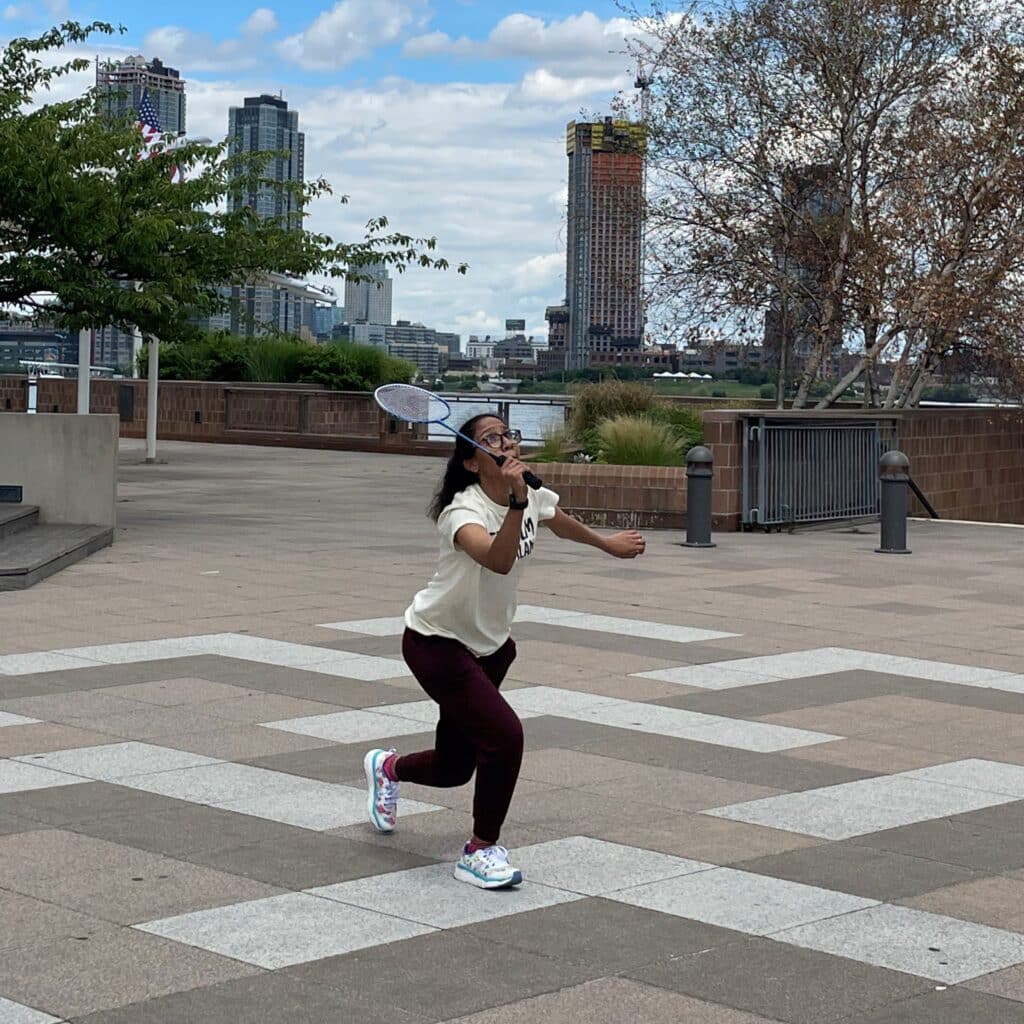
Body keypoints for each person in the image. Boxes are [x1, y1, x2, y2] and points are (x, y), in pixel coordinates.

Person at [364, 412, 645, 889]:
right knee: (505, 737)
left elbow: (557, 520)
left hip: (491, 648)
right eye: (491, 439)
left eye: (507, 434)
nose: (506, 443)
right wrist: (516, 504)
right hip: (436, 644)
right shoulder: (462, 512)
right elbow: (497, 560)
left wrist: (607, 544)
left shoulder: (528, 496)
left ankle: (387, 768)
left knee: (455, 768)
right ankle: (479, 850)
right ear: (473, 463)